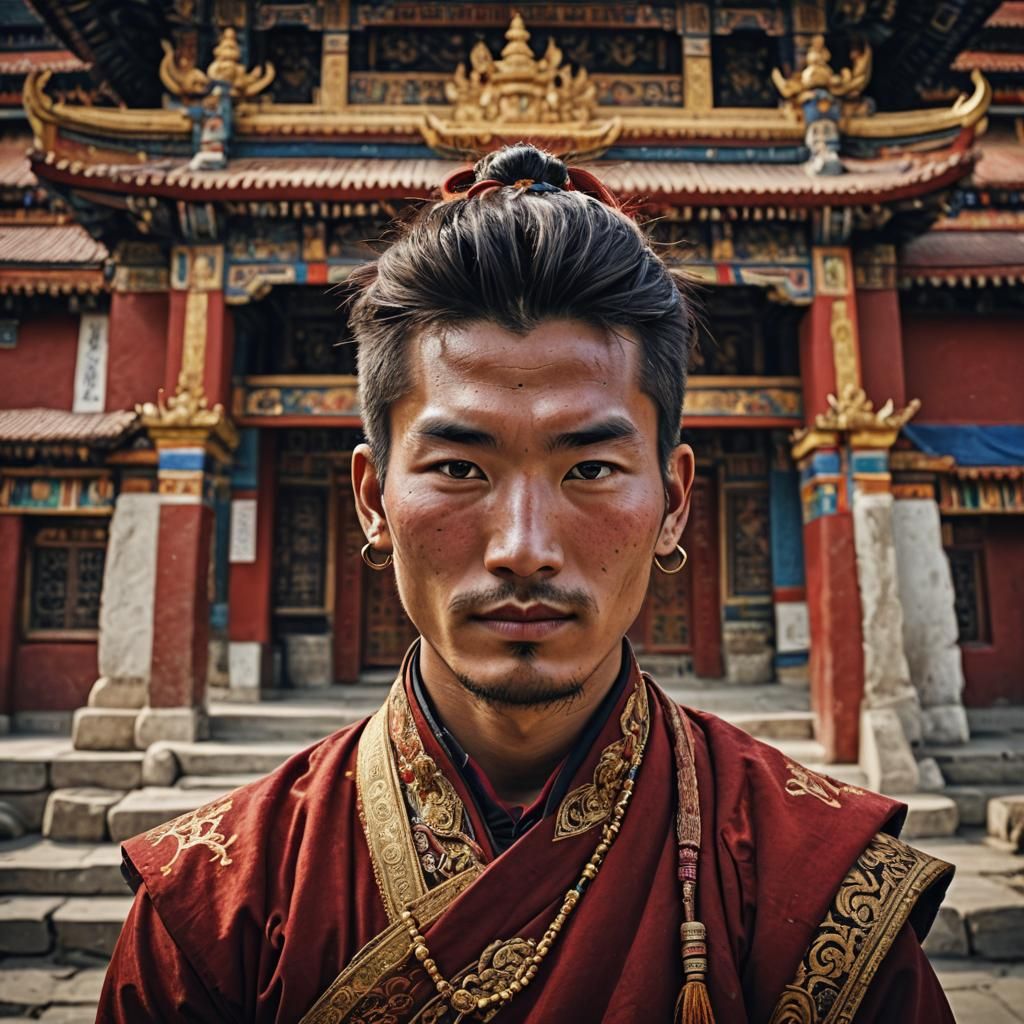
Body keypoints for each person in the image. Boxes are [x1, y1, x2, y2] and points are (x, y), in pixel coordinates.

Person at [97, 144, 954, 1023]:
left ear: (674, 502)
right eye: (460, 469)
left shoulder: (815, 881)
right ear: (372, 499)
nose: (523, 548)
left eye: (589, 470)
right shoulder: (216, 900)